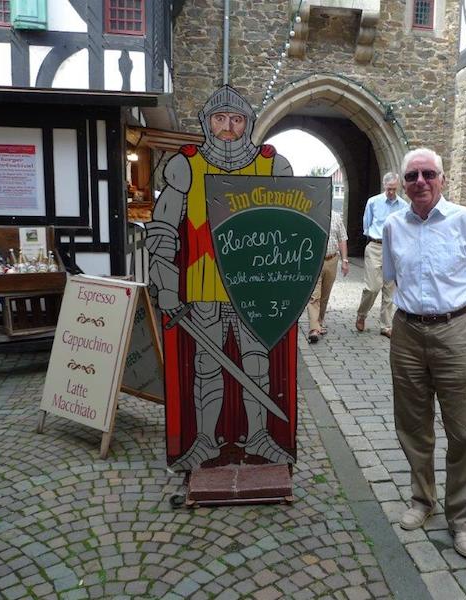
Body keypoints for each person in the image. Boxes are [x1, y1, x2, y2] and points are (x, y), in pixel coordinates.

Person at [146, 84, 295, 470]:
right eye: (220, 118)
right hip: (203, 283)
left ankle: (259, 436)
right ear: (207, 122)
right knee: (206, 366)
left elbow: (290, 230)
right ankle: (204, 442)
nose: (228, 127)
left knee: (257, 364)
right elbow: (163, 231)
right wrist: (166, 286)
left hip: (253, 286)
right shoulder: (187, 165)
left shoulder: (271, 166)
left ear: (248, 123)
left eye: (237, 119)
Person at [382, 148, 466, 558]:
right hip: (408, 333)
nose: (420, 182)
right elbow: (393, 278)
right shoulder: (393, 225)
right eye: (412, 176)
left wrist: (452, 314)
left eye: (428, 174)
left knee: (463, 432)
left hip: (457, 331)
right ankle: (422, 500)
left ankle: (461, 520)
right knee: (413, 425)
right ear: (403, 183)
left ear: (442, 179)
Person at [356, 173, 406, 338]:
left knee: (389, 290)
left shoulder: (404, 206)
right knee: (372, 287)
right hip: (375, 246)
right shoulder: (373, 202)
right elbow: (367, 224)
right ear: (384, 186)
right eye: (389, 189)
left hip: (393, 249)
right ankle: (362, 314)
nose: (391, 192)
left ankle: (386, 325)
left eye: (394, 189)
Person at [307, 210, 349, 343]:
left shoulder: (336, 217)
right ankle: (314, 328)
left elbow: (342, 239)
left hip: (332, 260)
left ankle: (319, 322)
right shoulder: (312, 215)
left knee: (325, 295)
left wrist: (345, 260)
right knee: (314, 296)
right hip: (315, 261)